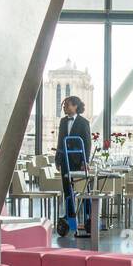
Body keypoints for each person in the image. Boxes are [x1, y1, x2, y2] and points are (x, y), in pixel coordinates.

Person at [54, 95, 91, 235]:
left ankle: (87, 216)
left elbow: (87, 143)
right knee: (67, 190)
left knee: (84, 189)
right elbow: (60, 141)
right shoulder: (63, 121)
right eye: (64, 105)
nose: (64, 107)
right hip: (65, 160)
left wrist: (85, 161)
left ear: (75, 106)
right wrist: (57, 159)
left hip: (78, 160)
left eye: (67, 105)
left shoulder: (83, 122)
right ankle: (70, 218)